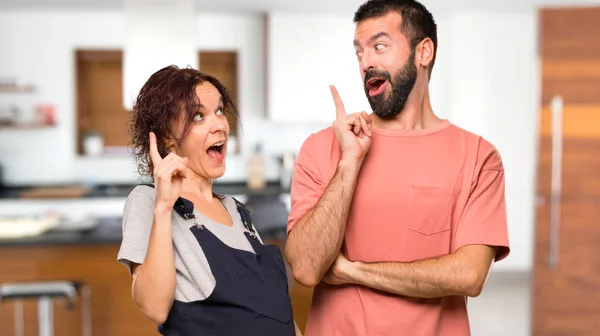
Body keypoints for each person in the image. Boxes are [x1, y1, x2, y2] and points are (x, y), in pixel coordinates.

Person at [285, 0, 510, 335]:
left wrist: (353, 271)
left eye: (379, 46)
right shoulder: (323, 147)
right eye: (359, 52)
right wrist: (349, 163)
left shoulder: (479, 157)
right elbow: (305, 267)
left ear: (424, 52)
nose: (366, 62)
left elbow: (469, 275)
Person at [116, 65, 301, 335]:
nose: (219, 125)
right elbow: (154, 307)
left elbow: (278, 313)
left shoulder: (236, 210)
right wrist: (165, 206)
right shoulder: (149, 201)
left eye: (219, 111)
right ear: (168, 138)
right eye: (199, 116)